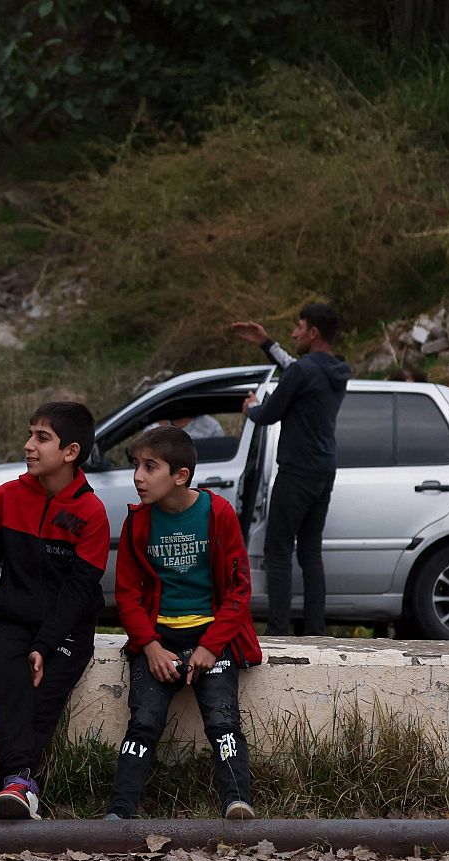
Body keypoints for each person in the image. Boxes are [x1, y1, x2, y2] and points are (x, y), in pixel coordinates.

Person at [104, 426, 261, 821]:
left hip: (212, 638)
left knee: (223, 723)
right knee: (143, 723)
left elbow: (239, 590)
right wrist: (151, 646)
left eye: (150, 467)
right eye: (136, 466)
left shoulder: (217, 513)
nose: (138, 477)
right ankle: (120, 811)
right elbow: (127, 595)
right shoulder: (138, 522)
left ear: (180, 475)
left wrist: (210, 646)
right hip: (159, 640)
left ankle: (237, 802)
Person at [0, 401, 109, 820]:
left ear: (71, 451)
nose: (28, 445)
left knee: (40, 699)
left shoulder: (91, 512)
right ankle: (19, 787)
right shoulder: (6, 496)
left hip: (68, 627)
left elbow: (79, 592)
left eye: (42, 438)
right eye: (30, 434)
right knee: (8, 687)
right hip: (10, 619)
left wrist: (44, 644)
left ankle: (13, 787)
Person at [233, 303, 352, 636]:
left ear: (313, 332)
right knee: (310, 552)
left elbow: (268, 413)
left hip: (296, 472)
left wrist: (251, 408)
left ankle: (278, 631)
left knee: (278, 550)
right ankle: (315, 631)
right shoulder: (336, 370)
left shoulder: (303, 372)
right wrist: (266, 343)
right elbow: (295, 367)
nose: (293, 333)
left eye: (298, 327)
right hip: (323, 471)